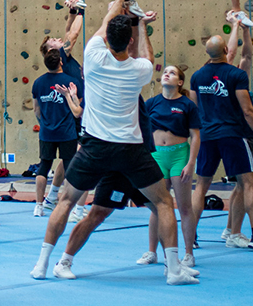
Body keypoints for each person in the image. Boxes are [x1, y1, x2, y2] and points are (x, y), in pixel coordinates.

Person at [29, 0, 197, 286]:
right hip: (130, 150)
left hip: (95, 148)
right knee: (162, 203)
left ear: (107, 39)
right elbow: (149, 57)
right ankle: (174, 269)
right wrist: (142, 24)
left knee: (66, 201)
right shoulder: (140, 70)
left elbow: (103, 27)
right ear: (130, 42)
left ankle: (42, 264)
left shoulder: (93, 57)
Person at [48, 95, 200, 282]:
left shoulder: (136, 92)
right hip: (117, 164)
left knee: (162, 208)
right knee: (98, 214)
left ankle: (173, 264)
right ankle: (64, 261)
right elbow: (82, 115)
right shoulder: (106, 94)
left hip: (139, 162)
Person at [188, 15, 253, 252]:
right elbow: (247, 110)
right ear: (226, 51)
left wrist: (239, 26)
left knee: (201, 187)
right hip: (232, 135)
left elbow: (194, 110)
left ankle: (191, 236)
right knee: (248, 183)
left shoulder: (196, 77)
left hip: (207, 136)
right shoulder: (236, 75)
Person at [138, 66, 201, 267]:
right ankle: (152, 251)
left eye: (172, 73)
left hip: (179, 156)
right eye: (165, 71)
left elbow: (196, 136)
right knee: (158, 206)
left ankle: (189, 253)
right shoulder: (151, 103)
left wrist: (191, 163)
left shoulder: (187, 105)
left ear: (180, 82)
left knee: (184, 207)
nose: (167, 74)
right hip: (156, 156)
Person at [37, 8, 89, 218]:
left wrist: (72, 13)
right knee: (81, 159)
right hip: (76, 110)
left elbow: (68, 30)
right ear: (53, 52)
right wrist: (82, 12)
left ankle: (51, 197)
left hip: (78, 109)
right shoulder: (63, 55)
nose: (60, 38)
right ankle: (77, 207)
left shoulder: (64, 57)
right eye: (54, 41)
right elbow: (73, 35)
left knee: (68, 159)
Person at [31, 48, 83, 219]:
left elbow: (36, 109)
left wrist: (45, 123)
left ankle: (39, 206)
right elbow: (78, 109)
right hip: (67, 131)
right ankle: (68, 206)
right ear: (61, 62)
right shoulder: (71, 81)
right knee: (69, 168)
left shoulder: (38, 83)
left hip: (47, 132)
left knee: (43, 166)